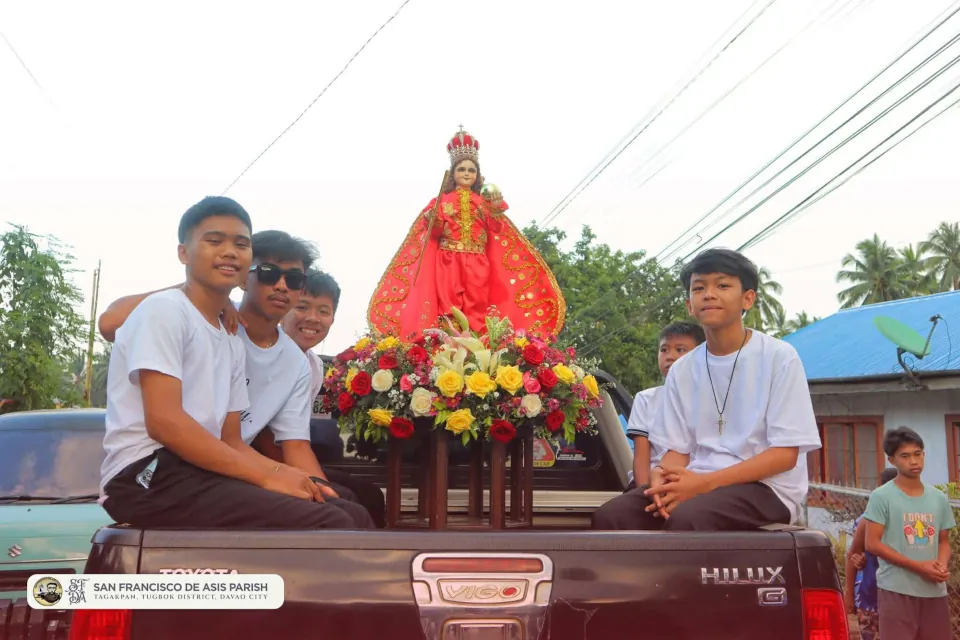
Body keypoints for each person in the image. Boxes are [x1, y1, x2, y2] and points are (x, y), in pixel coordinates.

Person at [99, 196, 359, 530]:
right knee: (331, 522)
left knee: (348, 512)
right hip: (146, 472)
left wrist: (283, 474)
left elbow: (233, 441)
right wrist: (265, 477)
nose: (229, 251)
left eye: (240, 244)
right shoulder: (164, 310)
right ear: (184, 253)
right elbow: (164, 423)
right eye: (214, 241)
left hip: (200, 466)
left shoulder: (230, 338)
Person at [591, 247, 822, 531]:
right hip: (696, 479)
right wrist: (662, 474)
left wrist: (702, 484)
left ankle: (672, 577)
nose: (709, 294)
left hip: (766, 487)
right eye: (699, 288)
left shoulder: (779, 357)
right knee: (613, 516)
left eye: (723, 285)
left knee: (686, 519)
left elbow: (785, 455)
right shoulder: (683, 369)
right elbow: (677, 450)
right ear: (689, 304)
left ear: (747, 298)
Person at [367, 126, 565, 338]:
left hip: (478, 260)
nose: (467, 174)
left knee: (477, 305)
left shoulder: (483, 202)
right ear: (453, 173)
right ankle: (447, 344)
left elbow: (496, 228)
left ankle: (476, 344)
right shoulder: (440, 201)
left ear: (477, 175)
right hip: (448, 260)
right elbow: (434, 233)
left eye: (471, 170)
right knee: (449, 305)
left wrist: (496, 210)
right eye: (461, 169)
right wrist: (432, 219)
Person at [266, 269, 387, 528]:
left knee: (371, 495)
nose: (312, 318)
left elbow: (295, 440)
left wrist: (320, 484)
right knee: (346, 506)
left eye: (323, 311)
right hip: (261, 462)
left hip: (286, 458)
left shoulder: (312, 365)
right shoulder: (264, 353)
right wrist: (320, 489)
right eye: (302, 307)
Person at [863, 427, 954, 639]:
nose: (914, 461)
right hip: (896, 590)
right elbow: (872, 544)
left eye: (918, 454)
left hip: (934, 591)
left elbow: (943, 542)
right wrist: (919, 567)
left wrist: (940, 564)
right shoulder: (881, 497)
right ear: (892, 460)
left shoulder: (938, 498)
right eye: (905, 456)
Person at [624, 321, 704, 488]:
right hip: (648, 481)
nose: (670, 356)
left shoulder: (711, 400)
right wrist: (645, 493)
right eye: (664, 350)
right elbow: (641, 457)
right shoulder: (646, 399)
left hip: (691, 482)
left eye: (680, 350)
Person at [845, 467, 898, 640]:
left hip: (902, 596)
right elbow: (853, 556)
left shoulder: (910, 518)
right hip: (871, 595)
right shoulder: (866, 520)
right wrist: (849, 595)